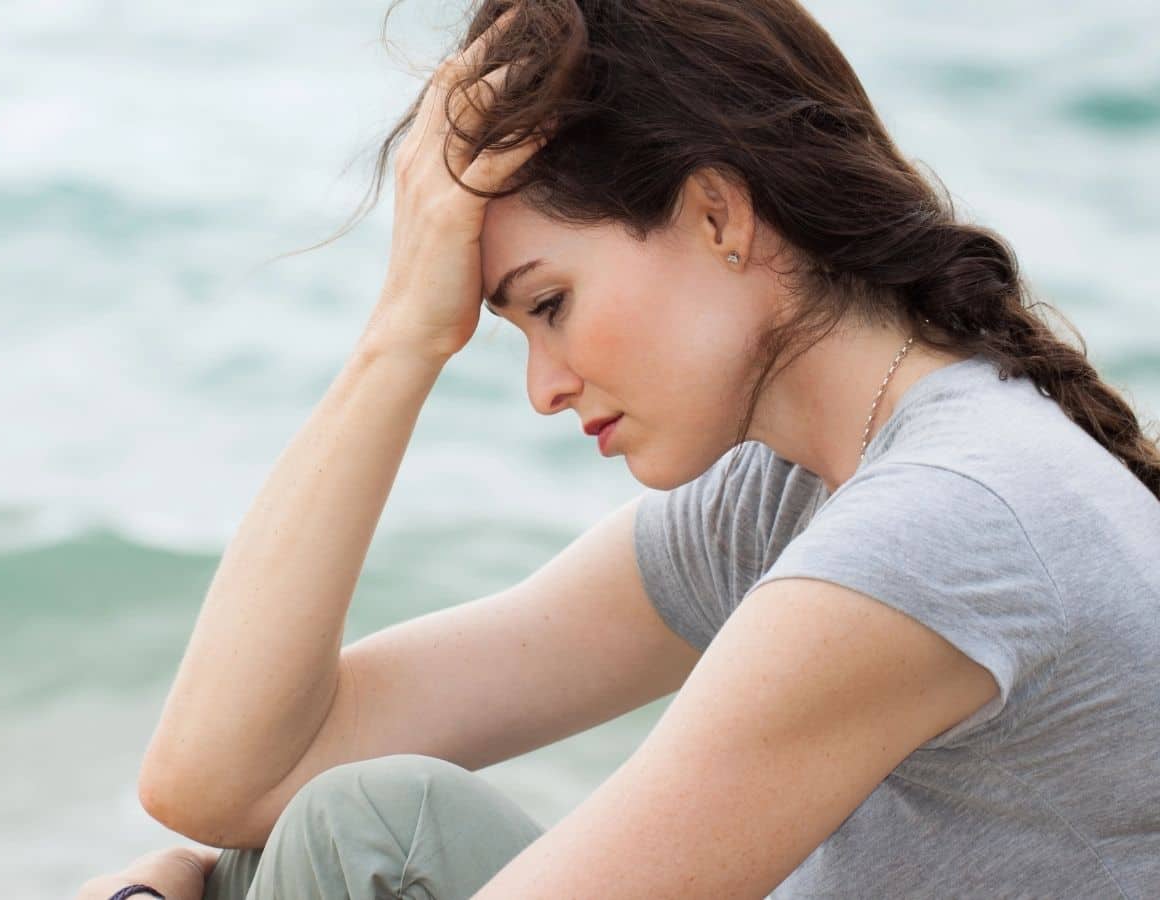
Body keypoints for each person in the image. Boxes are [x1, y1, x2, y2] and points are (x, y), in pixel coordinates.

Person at [84, 0, 1160, 897]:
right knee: (356, 822)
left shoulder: (944, 520)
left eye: (550, 303)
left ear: (717, 214)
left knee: (334, 847)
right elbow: (222, 777)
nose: (543, 390)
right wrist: (401, 338)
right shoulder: (788, 500)